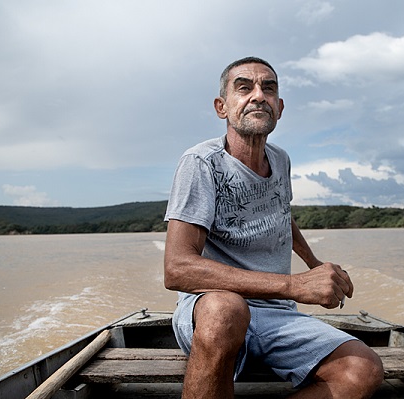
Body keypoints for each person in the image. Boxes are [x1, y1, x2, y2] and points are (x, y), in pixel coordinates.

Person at [164, 56, 383, 399]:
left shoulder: (281, 159)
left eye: (268, 88)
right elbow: (177, 269)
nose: (258, 95)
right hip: (211, 311)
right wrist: (294, 285)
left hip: (277, 314)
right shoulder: (200, 163)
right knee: (226, 311)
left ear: (279, 108)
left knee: (363, 370)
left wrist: (314, 264)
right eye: (244, 88)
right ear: (222, 107)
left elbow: (281, 213)